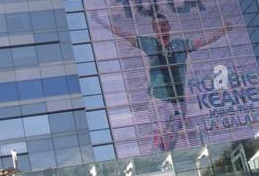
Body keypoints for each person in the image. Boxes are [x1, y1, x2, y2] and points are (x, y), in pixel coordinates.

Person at [97, 9, 231, 150]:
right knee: (162, 135)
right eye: (158, 26)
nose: (162, 27)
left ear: (169, 26)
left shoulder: (180, 44)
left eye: (164, 24)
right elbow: (123, 33)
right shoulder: (149, 43)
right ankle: (162, 144)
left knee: (178, 134)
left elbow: (203, 40)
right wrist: (101, 22)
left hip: (178, 99)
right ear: (154, 29)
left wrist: (222, 30)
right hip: (159, 99)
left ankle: (171, 145)